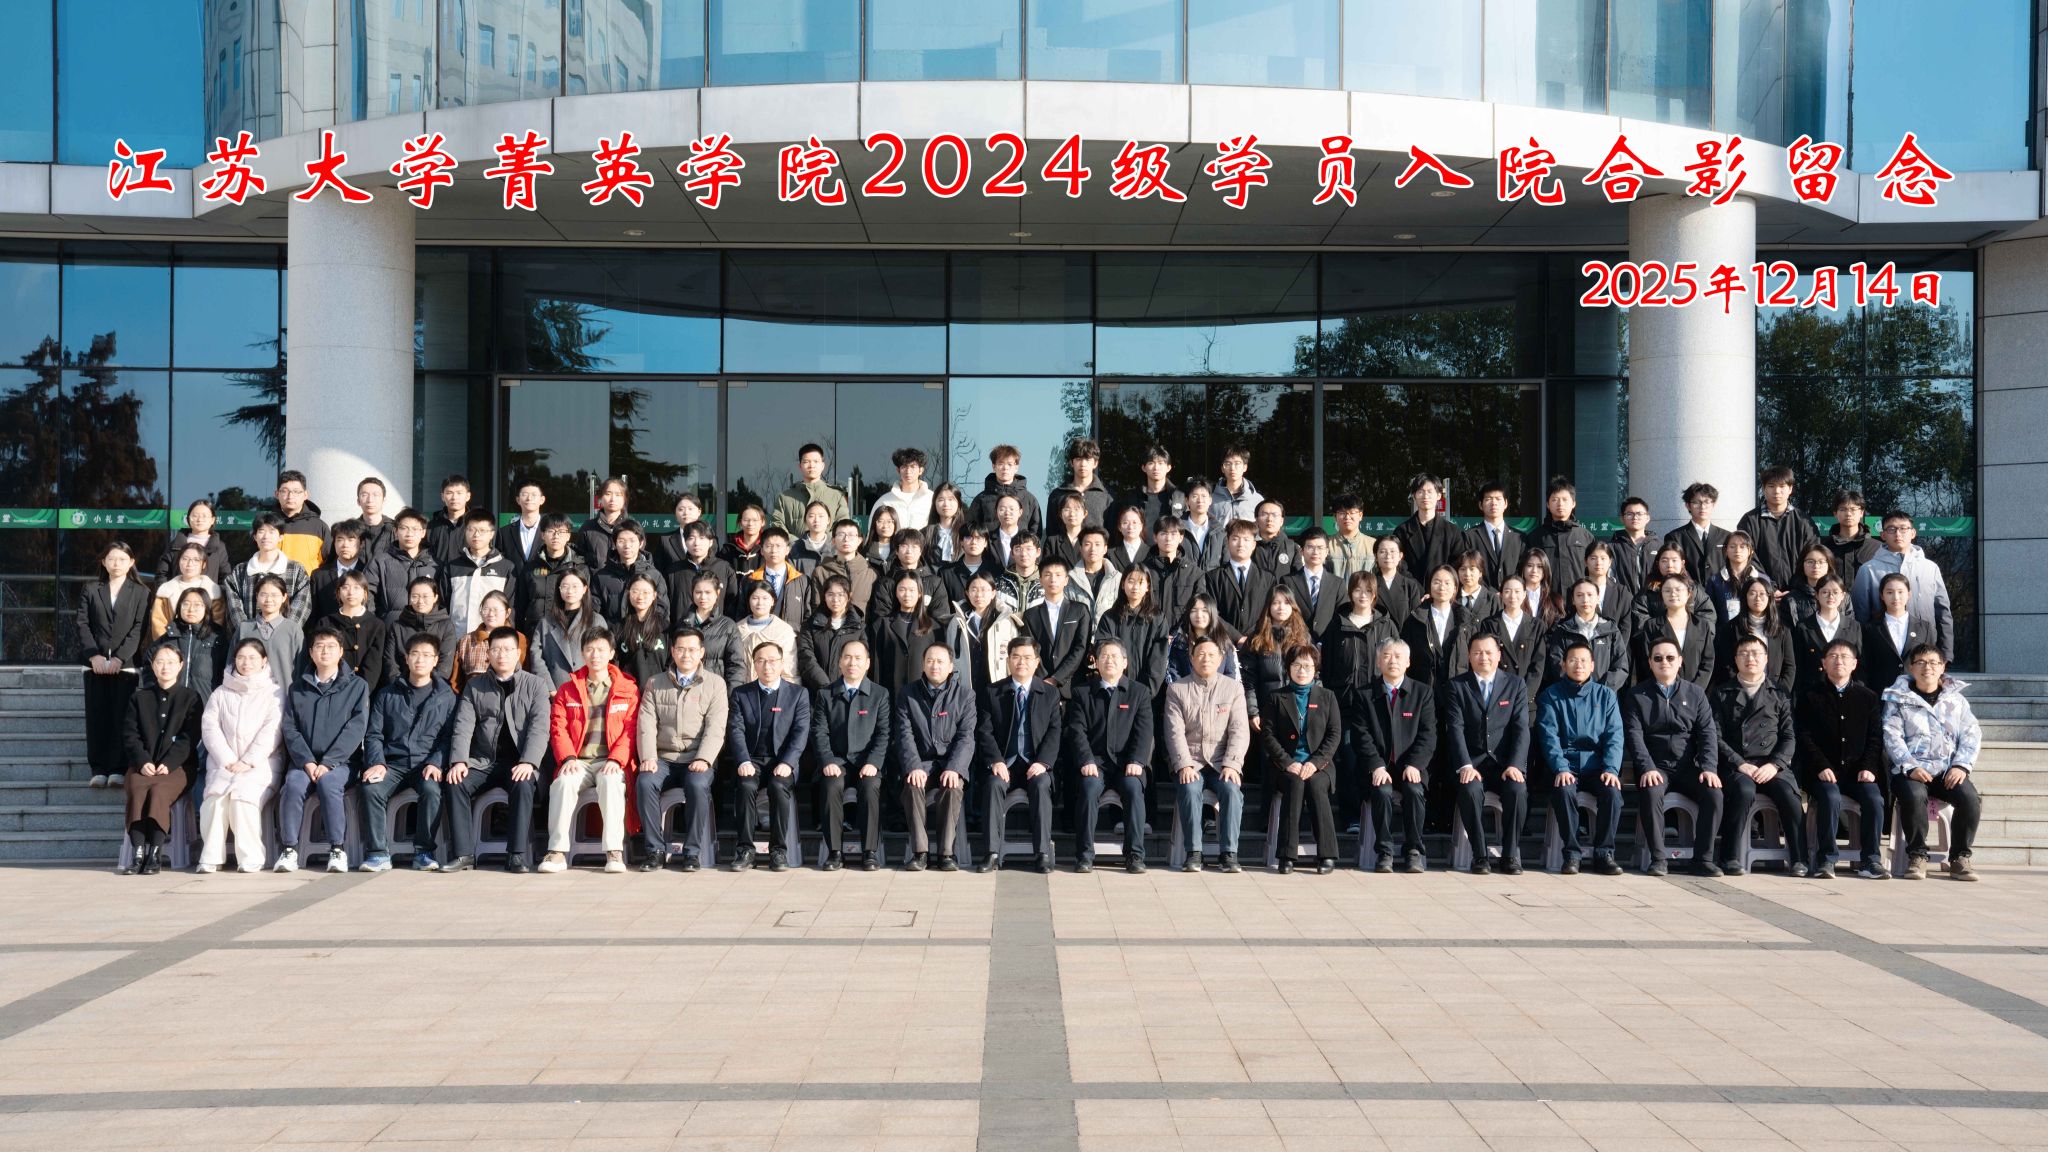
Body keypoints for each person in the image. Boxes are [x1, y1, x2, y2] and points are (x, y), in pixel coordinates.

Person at [445, 627, 551, 873]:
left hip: (520, 762)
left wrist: (529, 762)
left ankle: (516, 855)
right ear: (487, 654)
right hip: (483, 761)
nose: (502, 655)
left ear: (518, 653)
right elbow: (463, 726)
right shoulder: (475, 686)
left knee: (523, 784)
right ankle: (463, 854)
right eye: (496, 650)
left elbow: (539, 728)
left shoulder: (535, 685)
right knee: (455, 782)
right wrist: (459, 761)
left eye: (507, 649)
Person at [1882, 644, 1984, 881]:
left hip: (1947, 771)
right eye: (1920, 662)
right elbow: (1891, 736)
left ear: (1942, 667)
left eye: (1933, 662)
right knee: (1914, 795)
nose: (1927, 667)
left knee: (1970, 799)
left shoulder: (1956, 701)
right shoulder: (1898, 699)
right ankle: (1917, 856)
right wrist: (1910, 766)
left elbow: (1971, 734)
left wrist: (1961, 766)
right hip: (1910, 771)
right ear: (1911, 667)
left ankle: (1960, 857)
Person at [540, 629, 638, 874]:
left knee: (611, 782)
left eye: (601, 649)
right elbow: (558, 728)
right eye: (590, 650)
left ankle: (614, 851)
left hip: (611, 760)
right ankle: (556, 852)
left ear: (611, 653)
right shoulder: (567, 689)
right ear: (582, 654)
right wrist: (568, 757)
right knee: (563, 783)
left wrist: (616, 759)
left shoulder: (628, 689)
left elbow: (631, 730)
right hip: (579, 761)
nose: (595, 655)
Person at [357, 632, 457, 872]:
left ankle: (424, 852)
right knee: (371, 788)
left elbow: (449, 738)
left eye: (426, 655)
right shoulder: (387, 694)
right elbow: (374, 734)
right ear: (406, 658)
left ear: (436, 660)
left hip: (426, 764)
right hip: (392, 764)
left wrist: (436, 762)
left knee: (432, 791)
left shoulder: (447, 697)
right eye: (415, 654)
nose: (420, 660)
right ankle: (377, 854)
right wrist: (377, 762)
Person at [1708, 634, 1807, 876]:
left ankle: (1800, 859)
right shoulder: (1721, 693)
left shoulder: (1780, 693)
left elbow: (1789, 736)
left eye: (1755, 653)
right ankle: (1729, 857)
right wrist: (1739, 763)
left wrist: (1775, 764)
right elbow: (1714, 736)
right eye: (1743, 653)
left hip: (1771, 764)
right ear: (1735, 659)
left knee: (1789, 795)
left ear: (1766, 658)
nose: (1750, 658)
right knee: (1743, 791)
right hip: (1737, 765)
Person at [275, 625, 371, 873]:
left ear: (341, 652)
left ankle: (337, 849)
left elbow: (355, 729)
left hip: (342, 762)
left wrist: (328, 763)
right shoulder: (297, 688)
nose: (325, 651)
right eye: (319, 646)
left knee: (329, 783)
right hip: (304, 762)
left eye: (331, 646)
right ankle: (289, 849)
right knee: (293, 785)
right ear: (311, 652)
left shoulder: (357, 686)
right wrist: (307, 761)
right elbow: (290, 728)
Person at [632, 626, 728, 871]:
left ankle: (692, 852)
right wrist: (648, 757)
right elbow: (646, 724)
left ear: (702, 652)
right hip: (663, 758)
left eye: (692, 650)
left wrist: (704, 759)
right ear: (672, 651)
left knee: (697, 785)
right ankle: (654, 850)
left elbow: (716, 728)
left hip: (696, 758)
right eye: (681, 649)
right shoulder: (655, 683)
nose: (686, 655)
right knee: (645, 782)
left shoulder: (715, 684)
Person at [1621, 637, 1718, 877]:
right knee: (1651, 791)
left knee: (1713, 793)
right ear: (1650, 663)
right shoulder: (1637, 695)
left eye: (1670, 657)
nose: (1664, 662)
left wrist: (1708, 767)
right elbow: (1634, 735)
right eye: (1658, 658)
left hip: (1688, 767)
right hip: (1656, 767)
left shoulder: (1696, 693)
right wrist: (1647, 767)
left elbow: (1707, 733)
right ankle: (1658, 858)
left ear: (1680, 661)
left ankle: (1703, 859)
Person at [1535, 637, 1626, 875]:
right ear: (1563, 664)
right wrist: (1560, 767)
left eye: (1584, 661)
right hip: (1565, 765)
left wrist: (1611, 769)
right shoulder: (1550, 696)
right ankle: (1572, 854)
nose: (1579, 665)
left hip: (1596, 766)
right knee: (1564, 790)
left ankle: (1604, 854)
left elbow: (1614, 736)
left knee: (1612, 793)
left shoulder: (1606, 696)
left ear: (1593, 666)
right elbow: (1549, 737)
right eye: (1573, 660)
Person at [1797, 640, 1887, 880]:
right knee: (1830, 797)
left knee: (1874, 799)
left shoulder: (1868, 697)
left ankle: (1871, 860)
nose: (1839, 661)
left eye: (1845, 656)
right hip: (1822, 773)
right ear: (1823, 663)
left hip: (1858, 772)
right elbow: (1804, 736)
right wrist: (1820, 765)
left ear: (1854, 664)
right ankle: (1826, 859)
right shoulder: (1809, 696)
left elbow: (1875, 738)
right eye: (1833, 656)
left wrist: (1868, 767)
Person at [1065, 637, 1155, 874]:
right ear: (1096, 662)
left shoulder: (1139, 692)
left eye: (1115, 656)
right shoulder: (1082, 692)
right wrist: (1086, 760)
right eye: (1104, 656)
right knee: (1088, 788)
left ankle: (1135, 855)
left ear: (1125, 662)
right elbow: (1076, 731)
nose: (1109, 661)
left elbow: (1144, 732)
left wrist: (1137, 760)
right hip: (1095, 763)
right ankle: (1084, 855)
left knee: (1133, 789)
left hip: (1127, 764)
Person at [975, 636, 1063, 873]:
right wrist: (995, 761)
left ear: (1037, 662)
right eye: (1015, 657)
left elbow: (1054, 732)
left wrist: (1043, 762)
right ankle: (991, 852)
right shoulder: (993, 692)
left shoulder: (1049, 693)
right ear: (1008, 661)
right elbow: (984, 731)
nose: (1021, 662)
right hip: (1005, 763)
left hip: (1035, 764)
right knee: (993, 784)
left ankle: (1042, 853)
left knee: (1042, 784)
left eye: (1027, 657)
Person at [1444, 632, 1530, 875]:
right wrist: (1465, 765)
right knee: (1470, 790)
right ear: (1469, 656)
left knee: (1518, 790)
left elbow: (1521, 728)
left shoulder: (1515, 684)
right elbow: (1455, 728)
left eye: (1489, 652)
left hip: (1505, 764)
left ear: (1499, 655)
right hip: (1472, 764)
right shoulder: (1457, 686)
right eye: (1478, 653)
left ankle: (1510, 855)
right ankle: (1480, 855)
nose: (1484, 657)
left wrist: (1515, 764)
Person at [1163, 635, 1251, 873]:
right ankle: (1194, 852)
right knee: (1190, 788)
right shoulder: (1177, 689)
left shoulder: (1233, 689)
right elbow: (1174, 732)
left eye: (1212, 655)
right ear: (1191, 658)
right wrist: (1183, 764)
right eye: (1200, 654)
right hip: (1191, 761)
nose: (1206, 659)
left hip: (1221, 762)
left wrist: (1232, 764)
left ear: (1221, 659)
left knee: (1231, 790)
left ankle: (1229, 853)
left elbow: (1240, 731)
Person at [196, 638, 284, 873]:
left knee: (242, 799)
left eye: (252, 658)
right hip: (223, 765)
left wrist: (248, 760)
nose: (246, 663)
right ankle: (211, 856)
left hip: (260, 765)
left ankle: (251, 857)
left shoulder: (274, 693)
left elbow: (272, 730)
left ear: (264, 660)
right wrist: (227, 759)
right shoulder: (220, 693)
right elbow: (210, 728)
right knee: (214, 801)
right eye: (241, 657)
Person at [724, 642, 810, 871]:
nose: (767, 666)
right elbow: (736, 730)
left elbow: (801, 732)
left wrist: (788, 762)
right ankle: (745, 850)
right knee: (745, 786)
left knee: (778, 787)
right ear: (754, 664)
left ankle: (778, 851)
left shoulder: (798, 694)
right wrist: (743, 760)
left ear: (782, 663)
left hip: (782, 761)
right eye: (761, 661)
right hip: (752, 759)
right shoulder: (741, 694)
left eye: (772, 661)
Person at [808, 638, 892, 871]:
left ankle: (869, 851)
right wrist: (827, 761)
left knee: (870, 786)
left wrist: (874, 762)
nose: (852, 663)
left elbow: (884, 733)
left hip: (867, 762)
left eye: (857, 658)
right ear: (839, 662)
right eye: (847, 657)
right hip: (837, 761)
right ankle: (835, 852)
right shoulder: (825, 694)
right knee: (831, 785)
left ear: (868, 663)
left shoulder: (880, 694)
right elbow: (819, 732)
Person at [121, 641, 204, 874]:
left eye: (170, 662)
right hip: (142, 765)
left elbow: (190, 737)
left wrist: (169, 763)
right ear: (152, 666)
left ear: (181, 665)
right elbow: (130, 734)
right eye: (159, 662)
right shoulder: (139, 698)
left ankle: (155, 852)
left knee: (159, 791)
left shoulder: (191, 698)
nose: (165, 667)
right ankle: (138, 852)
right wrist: (142, 761)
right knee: (137, 789)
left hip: (178, 767)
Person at [1258, 643, 1341, 874]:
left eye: (1307, 666)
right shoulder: (1276, 697)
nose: (1302, 670)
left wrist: (1314, 763)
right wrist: (1288, 762)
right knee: (1294, 784)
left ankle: (1327, 855)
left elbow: (1334, 735)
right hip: (1285, 766)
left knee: (1315, 785)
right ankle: (1286, 855)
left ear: (1316, 669)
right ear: (1288, 668)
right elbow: (1268, 735)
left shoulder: (1327, 697)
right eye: (1296, 665)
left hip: (1320, 766)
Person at [1353, 638, 1434, 874]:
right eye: (1387, 656)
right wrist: (1376, 766)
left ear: (1408, 662)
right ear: (1378, 662)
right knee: (1381, 791)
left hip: (1411, 768)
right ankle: (1384, 851)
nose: (1393, 661)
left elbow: (1428, 735)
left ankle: (1413, 850)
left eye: (1398, 656)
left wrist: (1415, 764)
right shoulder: (1364, 695)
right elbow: (1361, 735)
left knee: (1414, 791)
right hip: (1377, 768)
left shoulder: (1422, 693)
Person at [894, 641, 976, 871]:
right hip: (921, 763)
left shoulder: (965, 695)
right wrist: (913, 765)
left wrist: (955, 768)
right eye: (930, 661)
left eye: (940, 661)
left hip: (950, 763)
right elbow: (904, 734)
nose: (934, 666)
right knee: (912, 785)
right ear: (923, 664)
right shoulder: (908, 694)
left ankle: (946, 854)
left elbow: (966, 737)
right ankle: (920, 852)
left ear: (951, 666)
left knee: (952, 786)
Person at [79, 541, 150, 789]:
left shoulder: (141, 592)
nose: (116, 563)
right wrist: (94, 656)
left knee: (122, 716)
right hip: (94, 665)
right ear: (103, 562)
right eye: (111, 559)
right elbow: (83, 624)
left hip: (125, 665)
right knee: (97, 716)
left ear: (131, 562)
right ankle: (98, 768)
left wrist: (119, 658)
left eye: (122, 559)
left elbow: (139, 628)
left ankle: (119, 768)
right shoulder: (91, 589)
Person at [1852, 512, 1955, 661]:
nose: (1898, 534)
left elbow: (1943, 613)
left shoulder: (1930, 568)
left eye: (1903, 528)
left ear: (1913, 533)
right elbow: (1860, 616)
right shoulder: (1868, 570)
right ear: (1883, 535)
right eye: (1891, 529)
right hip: (1882, 653)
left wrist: (1946, 654)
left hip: (1925, 652)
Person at [1243, 585, 1315, 736]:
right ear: (1268, 606)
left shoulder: (1304, 637)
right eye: (1275, 603)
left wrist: (1314, 707)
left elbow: (1315, 674)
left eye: (1286, 602)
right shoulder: (1256, 638)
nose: (1281, 607)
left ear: (1293, 606)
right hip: (1267, 711)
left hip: (1298, 711)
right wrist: (1252, 711)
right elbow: (1248, 679)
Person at [1737, 465, 1821, 590]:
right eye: (1771, 486)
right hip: (1761, 592)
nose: (1777, 491)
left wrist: (1796, 588)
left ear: (1790, 489)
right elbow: (1746, 557)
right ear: (1764, 489)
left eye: (1782, 486)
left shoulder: (1804, 521)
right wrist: (1769, 587)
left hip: (1799, 592)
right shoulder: (1749, 520)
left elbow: (1813, 555)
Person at [1096, 567, 1170, 704]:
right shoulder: (1110, 617)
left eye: (1141, 582)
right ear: (1123, 584)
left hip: (1148, 696)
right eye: (1131, 581)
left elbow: (1158, 661)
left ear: (1148, 587)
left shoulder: (1157, 619)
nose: (1135, 587)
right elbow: (1104, 652)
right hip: (1114, 693)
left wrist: (1146, 693)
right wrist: (1118, 688)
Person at [222, 512, 311, 626]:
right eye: (261, 531)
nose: (266, 536)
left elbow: (302, 604)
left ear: (281, 537)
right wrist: (246, 630)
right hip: (247, 635)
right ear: (255, 536)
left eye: (271, 531)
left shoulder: (296, 570)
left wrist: (285, 630)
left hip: (285, 635)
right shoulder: (240, 571)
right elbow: (234, 607)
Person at [1022, 557, 1091, 699]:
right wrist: (1045, 680)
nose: (1053, 579)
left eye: (1058, 575)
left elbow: (1081, 647)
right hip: (1041, 687)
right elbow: (1031, 650)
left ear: (1066, 580)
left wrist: (1057, 678)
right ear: (1040, 580)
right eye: (1047, 575)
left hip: (1073, 686)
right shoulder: (1030, 615)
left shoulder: (1079, 610)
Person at [528, 568, 606, 692]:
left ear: (584, 589)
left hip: (588, 689)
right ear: (559, 589)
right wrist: (549, 688)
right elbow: (536, 656)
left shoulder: (596, 620)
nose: (570, 591)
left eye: (575, 586)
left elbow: (603, 655)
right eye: (565, 586)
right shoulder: (546, 622)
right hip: (556, 690)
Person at [1633, 573, 1715, 690]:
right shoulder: (1652, 626)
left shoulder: (1701, 625)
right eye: (1667, 590)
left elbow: (1708, 661)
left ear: (1688, 593)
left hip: (1695, 692)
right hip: (1661, 691)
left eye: (1678, 589)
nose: (1673, 594)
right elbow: (1647, 660)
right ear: (1661, 595)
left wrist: (1694, 690)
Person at [1401, 566, 1472, 699]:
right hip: (1422, 691)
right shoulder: (1415, 620)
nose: (1442, 587)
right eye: (1437, 582)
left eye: (1447, 583)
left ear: (1455, 588)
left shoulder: (1466, 621)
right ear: (1429, 586)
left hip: (1457, 691)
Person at [1545, 580, 1629, 691]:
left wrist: (1599, 691)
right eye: (1579, 595)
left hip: (1603, 695)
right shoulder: (1563, 630)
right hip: (1570, 694)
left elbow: (1620, 667)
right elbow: (1557, 664)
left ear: (1598, 598)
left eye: (1590, 595)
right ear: (1573, 600)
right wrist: (1577, 689)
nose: (1585, 600)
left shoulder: (1610, 630)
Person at [445, 510, 518, 637]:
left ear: (492, 534)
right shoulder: (453, 567)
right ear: (465, 532)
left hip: (493, 639)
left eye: (482, 530)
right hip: (457, 636)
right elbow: (444, 605)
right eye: (471, 530)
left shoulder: (506, 567)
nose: (476, 535)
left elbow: (511, 607)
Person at [946, 571, 1020, 695]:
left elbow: (1014, 653)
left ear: (993, 593)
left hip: (997, 684)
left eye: (984, 590)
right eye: (974, 590)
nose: (979, 595)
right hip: (965, 685)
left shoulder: (1005, 621)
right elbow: (950, 654)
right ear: (967, 593)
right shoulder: (957, 621)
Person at [1716, 578, 1794, 693]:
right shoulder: (1730, 628)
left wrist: (1780, 693)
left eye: (1762, 594)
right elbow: (1727, 664)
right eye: (1752, 593)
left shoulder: (1781, 629)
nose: (1758, 598)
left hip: (1774, 693)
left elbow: (1789, 667)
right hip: (1739, 693)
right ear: (1745, 597)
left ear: (1769, 598)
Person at [321, 570, 390, 698]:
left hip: (364, 692)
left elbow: (373, 666)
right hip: (330, 691)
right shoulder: (326, 622)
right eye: (345, 587)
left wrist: (361, 693)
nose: (351, 592)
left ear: (365, 593)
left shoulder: (376, 625)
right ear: (338, 593)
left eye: (356, 588)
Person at [678, 572, 749, 691]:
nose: (703, 597)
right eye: (698, 592)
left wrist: (731, 697)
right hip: (685, 690)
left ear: (717, 593)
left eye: (708, 592)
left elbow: (736, 666)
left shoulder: (728, 626)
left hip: (715, 692)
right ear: (692, 593)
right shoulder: (683, 624)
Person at [231, 574, 303, 691]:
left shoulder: (293, 629)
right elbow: (231, 666)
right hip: (248, 696)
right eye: (264, 594)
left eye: (274, 595)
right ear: (257, 596)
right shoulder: (244, 628)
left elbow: (302, 668)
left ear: (284, 597)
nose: (269, 600)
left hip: (284, 696)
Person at [1791, 575, 1861, 693]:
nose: (1830, 596)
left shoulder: (1854, 626)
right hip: (1812, 693)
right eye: (1825, 592)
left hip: (1846, 692)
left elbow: (1861, 664)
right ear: (1816, 595)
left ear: (1843, 595)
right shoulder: (1804, 627)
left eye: (1835, 592)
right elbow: (1798, 665)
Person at [1483, 575, 1547, 702]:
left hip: (1525, 696)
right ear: (1501, 595)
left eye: (1517, 591)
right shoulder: (1489, 624)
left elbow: (1538, 664)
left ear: (1524, 594)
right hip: (1496, 694)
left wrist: (1525, 696)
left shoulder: (1536, 625)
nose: (1512, 596)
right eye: (1507, 591)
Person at [1527, 476, 1596, 594]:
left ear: (1573, 503)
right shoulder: (1536, 537)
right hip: (1546, 599)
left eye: (1565, 499)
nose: (1560, 504)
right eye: (1555, 499)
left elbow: (1593, 571)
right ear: (1548, 504)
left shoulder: (1586, 537)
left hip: (1578, 599)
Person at [592, 520, 669, 624]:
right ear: (615, 543)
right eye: (621, 541)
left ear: (641, 543)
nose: (627, 545)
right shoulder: (602, 576)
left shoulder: (654, 575)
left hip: (646, 632)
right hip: (612, 633)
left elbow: (662, 610)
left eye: (632, 541)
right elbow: (594, 612)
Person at [1205, 520, 1274, 636]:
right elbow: (1212, 612)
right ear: (1227, 542)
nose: (1241, 544)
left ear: (1254, 544)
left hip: (1258, 640)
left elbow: (1269, 612)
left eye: (1246, 539)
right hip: (1224, 640)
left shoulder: (1268, 579)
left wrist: (1251, 638)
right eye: (1235, 539)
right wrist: (1236, 637)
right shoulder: (1213, 577)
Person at [158, 588, 226, 702]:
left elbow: (226, 674)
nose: (191, 609)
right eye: (186, 604)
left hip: (205, 704)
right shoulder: (168, 638)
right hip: (171, 704)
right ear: (179, 607)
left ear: (206, 608)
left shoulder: (218, 639)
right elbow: (149, 667)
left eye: (197, 605)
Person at [735, 527, 810, 629]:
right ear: (762, 550)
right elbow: (741, 615)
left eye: (778, 546)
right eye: (769, 546)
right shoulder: (749, 580)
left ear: (787, 550)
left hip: (791, 637)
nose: (774, 551)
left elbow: (808, 616)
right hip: (757, 635)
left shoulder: (802, 581)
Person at [1393, 473, 1460, 584]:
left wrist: (1438, 587)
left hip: (1442, 590)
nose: (1425, 496)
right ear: (1414, 496)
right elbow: (1399, 564)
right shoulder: (1402, 531)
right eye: (1420, 492)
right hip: (1411, 591)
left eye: (1430, 491)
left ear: (1439, 495)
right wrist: (1416, 589)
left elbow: (1457, 564)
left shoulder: (1452, 532)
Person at [388, 577, 458, 684]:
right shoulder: (397, 626)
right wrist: (400, 685)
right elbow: (390, 662)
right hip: (400, 686)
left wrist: (428, 686)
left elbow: (445, 664)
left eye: (425, 596)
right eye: (415, 596)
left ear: (435, 597)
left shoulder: (446, 626)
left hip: (434, 687)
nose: (420, 601)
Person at [372, 508, 439, 619]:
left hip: (426, 627)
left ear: (423, 533)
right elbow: (367, 594)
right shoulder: (380, 562)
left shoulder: (435, 565)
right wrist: (376, 623)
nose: (409, 534)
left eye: (415, 529)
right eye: (404, 528)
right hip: (390, 626)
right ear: (395, 531)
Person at [308, 520, 377, 624]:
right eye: (340, 539)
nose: (345, 545)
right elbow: (313, 613)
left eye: (351, 539)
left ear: (361, 544)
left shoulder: (369, 573)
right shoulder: (318, 576)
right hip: (327, 630)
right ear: (334, 543)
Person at [454, 590, 524, 692]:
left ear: (507, 613)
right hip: (474, 697)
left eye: (496, 610)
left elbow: (527, 677)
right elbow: (456, 682)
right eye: (486, 609)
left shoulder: (520, 639)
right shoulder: (466, 641)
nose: (491, 614)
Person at [150, 542, 223, 639]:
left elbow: (217, 623)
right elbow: (158, 623)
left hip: (203, 644)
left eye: (196, 560)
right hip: (170, 644)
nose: (189, 564)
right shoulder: (166, 591)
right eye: (185, 559)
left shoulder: (213, 592)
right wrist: (168, 644)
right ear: (178, 561)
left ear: (203, 564)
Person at [968, 443, 1043, 537]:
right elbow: (971, 529)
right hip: (990, 546)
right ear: (993, 467)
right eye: (1001, 464)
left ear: (1016, 467)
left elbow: (1036, 532)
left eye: (1010, 464)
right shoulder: (981, 499)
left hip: (1021, 546)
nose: (1005, 468)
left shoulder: (1029, 499)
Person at [772, 442, 850, 531]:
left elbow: (843, 526)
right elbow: (778, 525)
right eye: (806, 462)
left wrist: (822, 539)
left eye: (816, 461)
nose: (811, 465)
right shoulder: (784, 498)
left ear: (822, 466)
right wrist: (798, 540)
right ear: (800, 466)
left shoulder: (837, 496)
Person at [1167, 593, 1242, 684]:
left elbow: (1231, 674)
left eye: (1204, 610)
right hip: (1186, 691)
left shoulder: (1223, 640)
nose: (1199, 615)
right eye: (1194, 610)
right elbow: (1174, 673)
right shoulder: (1179, 642)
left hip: (1221, 692)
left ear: (1212, 613)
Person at [156, 498, 232, 586]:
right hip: (179, 594)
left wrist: (216, 594)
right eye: (195, 516)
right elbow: (162, 574)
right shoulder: (176, 544)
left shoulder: (219, 547)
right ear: (188, 519)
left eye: (204, 516)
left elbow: (225, 577)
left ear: (212, 520)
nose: (199, 519)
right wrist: (167, 593)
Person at [612, 576, 670, 691]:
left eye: (646, 592)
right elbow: (614, 663)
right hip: (629, 693)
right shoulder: (619, 627)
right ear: (628, 594)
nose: (640, 597)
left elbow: (671, 661)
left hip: (659, 690)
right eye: (635, 591)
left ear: (654, 595)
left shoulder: (665, 627)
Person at [1665, 482, 1730, 584]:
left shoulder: (1726, 536)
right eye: (1696, 502)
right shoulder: (1675, 537)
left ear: (1713, 504)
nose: (1702, 506)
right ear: (1688, 505)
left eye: (1707, 502)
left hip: (1720, 590)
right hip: (1689, 590)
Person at [659, 521, 730, 614]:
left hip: (716, 623)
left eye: (702, 538)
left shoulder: (724, 568)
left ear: (711, 542)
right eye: (691, 538)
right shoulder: (673, 571)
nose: (696, 543)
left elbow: (731, 602)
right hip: (682, 623)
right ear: (685, 542)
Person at [1464, 481, 1525, 589]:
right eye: (1488, 499)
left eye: (1498, 499)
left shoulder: (1519, 538)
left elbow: (1522, 570)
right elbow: (1467, 569)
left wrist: (1508, 590)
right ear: (1480, 505)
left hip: (1511, 595)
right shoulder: (1469, 536)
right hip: (1481, 596)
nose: (1494, 503)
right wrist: (1489, 593)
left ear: (1505, 503)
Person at [1143, 516, 1201, 625]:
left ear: (1181, 538)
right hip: (1149, 632)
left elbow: (1199, 609)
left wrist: (1176, 633)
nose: (1168, 539)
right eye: (1163, 533)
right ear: (1155, 537)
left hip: (1182, 634)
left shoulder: (1194, 573)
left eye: (1173, 534)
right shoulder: (1143, 571)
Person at [1284, 530, 1341, 638]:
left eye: (1320, 548)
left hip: (1328, 643)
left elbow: (1341, 617)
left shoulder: (1337, 584)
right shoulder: (1288, 581)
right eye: (1310, 547)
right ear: (1301, 551)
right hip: (1296, 641)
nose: (1315, 552)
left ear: (1327, 551)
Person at [1705, 531, 1772, 623]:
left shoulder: (1762, 579)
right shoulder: (1715, 581)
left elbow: (1770, 610)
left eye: (1742, 546)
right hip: (1726, 631)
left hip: (1755, 629)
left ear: (1751, 551)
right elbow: (1710, 614)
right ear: (1726, 550)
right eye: (1732, 546)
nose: (1737, 550)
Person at [1049, 437, 1115, 529]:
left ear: (1095, 463)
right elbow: (1052, 531)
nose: (1083, 464)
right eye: (1078, 459)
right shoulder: (1057, 495)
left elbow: (1111, 532)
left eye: (1088, 460)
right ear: (1071, 463)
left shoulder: (1107, 497)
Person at [1821, 488, 1881, 589]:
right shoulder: (1824, 547)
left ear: (1861, 512)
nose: (1848, 514)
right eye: (1843, 509)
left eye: (1853, 509)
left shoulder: (1877, 547)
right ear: (1835, 513)